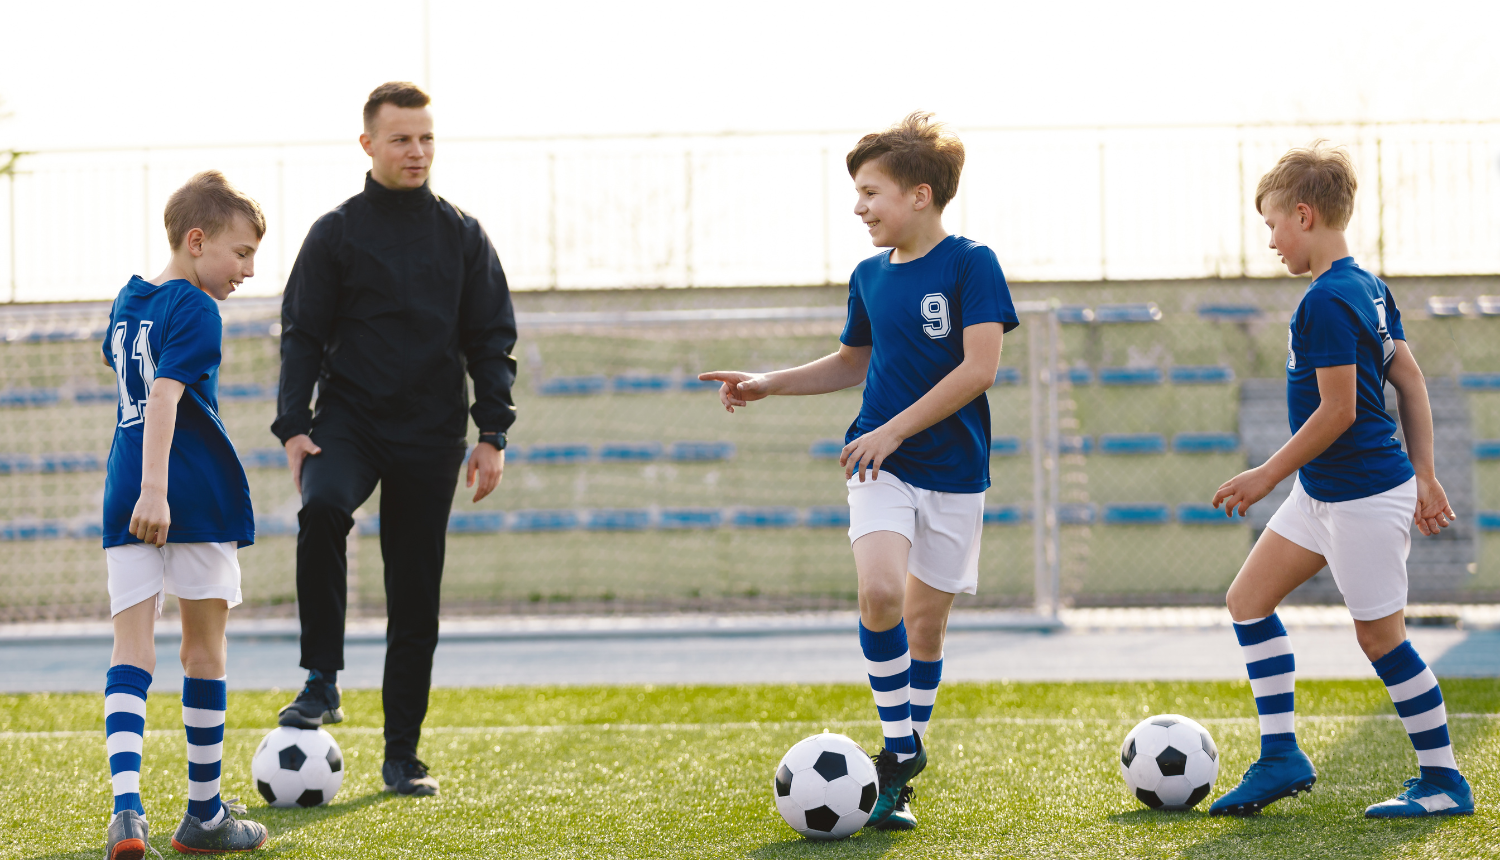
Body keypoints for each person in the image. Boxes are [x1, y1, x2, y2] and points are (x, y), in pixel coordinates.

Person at [698, 112, 1017, 831]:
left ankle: (901, 766)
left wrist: (897, 426)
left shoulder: (973, 263)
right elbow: (853, 360)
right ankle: (900, 752)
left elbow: (980, 368)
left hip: (956, 472)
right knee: (880, 595)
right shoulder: (869, 276)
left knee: (927, 633)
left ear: (921, 196)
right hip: (879, 466)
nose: (859, 206)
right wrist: (768, 382)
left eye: (871, 191)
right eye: (857, 192)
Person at [1209, 142, 1472, 818]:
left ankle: (1444, 783)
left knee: (1381, 640)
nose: (1269, 240)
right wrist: (1428, 476)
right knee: (1247, 600)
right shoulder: (1368, 285)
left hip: (1361, 498)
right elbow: (1408, 379)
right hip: (1324, 494)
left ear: (1303, 215)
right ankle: (1280, 757)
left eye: (1271, 224)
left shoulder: (1327, 299)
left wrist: (1267, 473)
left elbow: (1341, 410)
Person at [271, 81, 517, 798]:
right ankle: (321, 679)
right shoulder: (336, 232)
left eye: (427, 138)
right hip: (348, 422)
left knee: (415, 596)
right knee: (321, 512)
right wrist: (293, 425)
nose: (417, 151)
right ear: (369, 144)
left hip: (431, 433)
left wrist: (491, 431)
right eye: (403, 138)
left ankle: (401, 756)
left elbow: (491, 338)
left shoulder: (463, 235)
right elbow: (302, 336)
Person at [101, 170, 270, 858]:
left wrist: (138, 488)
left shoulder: (126, 299)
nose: (248, 271)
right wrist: (158, 490)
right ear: (197, 242)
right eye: (240, 254)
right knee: (204, 650)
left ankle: (127, 811)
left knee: (129, 651)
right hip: (187, 497)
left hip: (122, 493)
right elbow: (166, 400)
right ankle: (203, 813)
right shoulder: (197, 309)